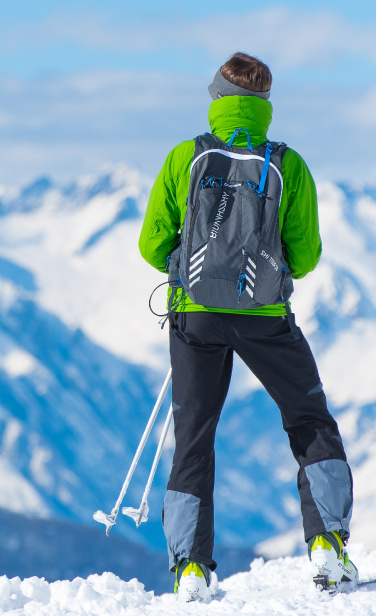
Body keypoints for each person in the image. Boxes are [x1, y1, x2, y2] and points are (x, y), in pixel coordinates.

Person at [137, 52, 355, 602]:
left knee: (194, 435)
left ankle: (191, 568)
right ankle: (327, 543)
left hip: (195, 315)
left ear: (215, 98)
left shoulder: (185, 159)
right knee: (308, 419)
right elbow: (305, 255)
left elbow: (150, 244)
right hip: (264, 318)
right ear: (266, 105)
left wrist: (190, 269)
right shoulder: (289, 164)